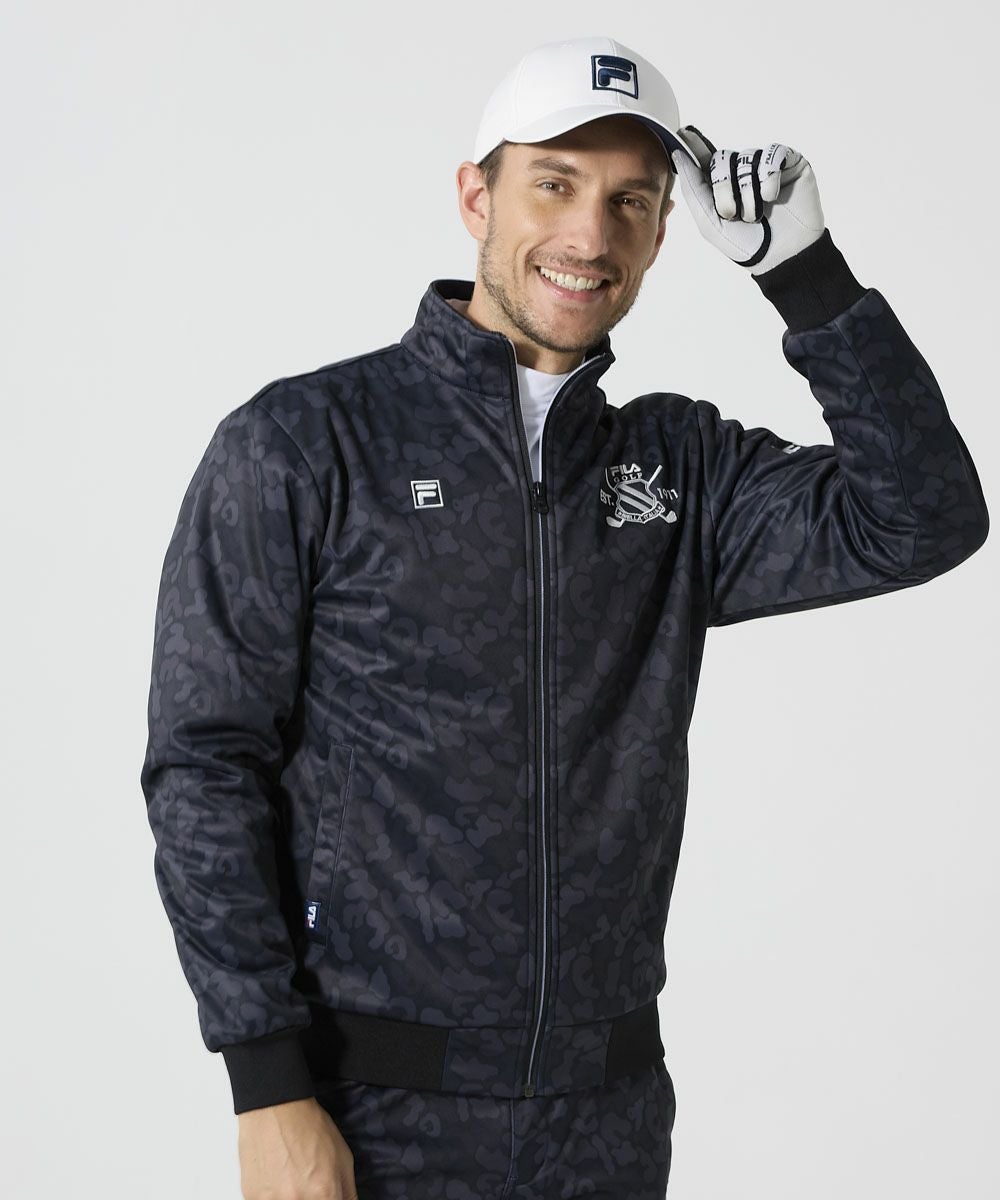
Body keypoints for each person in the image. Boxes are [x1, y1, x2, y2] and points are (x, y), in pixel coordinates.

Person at [139, 34, 989, 1200]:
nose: (590, 236)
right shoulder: (305, 444)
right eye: (554, 184)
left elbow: (923, 519)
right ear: (474, 197)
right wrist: (266, 1086)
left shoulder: (680, 469)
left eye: (629, 201)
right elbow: (204, 766)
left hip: (607, 1119)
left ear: (660, 232)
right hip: (369, 1111)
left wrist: (807, 278)